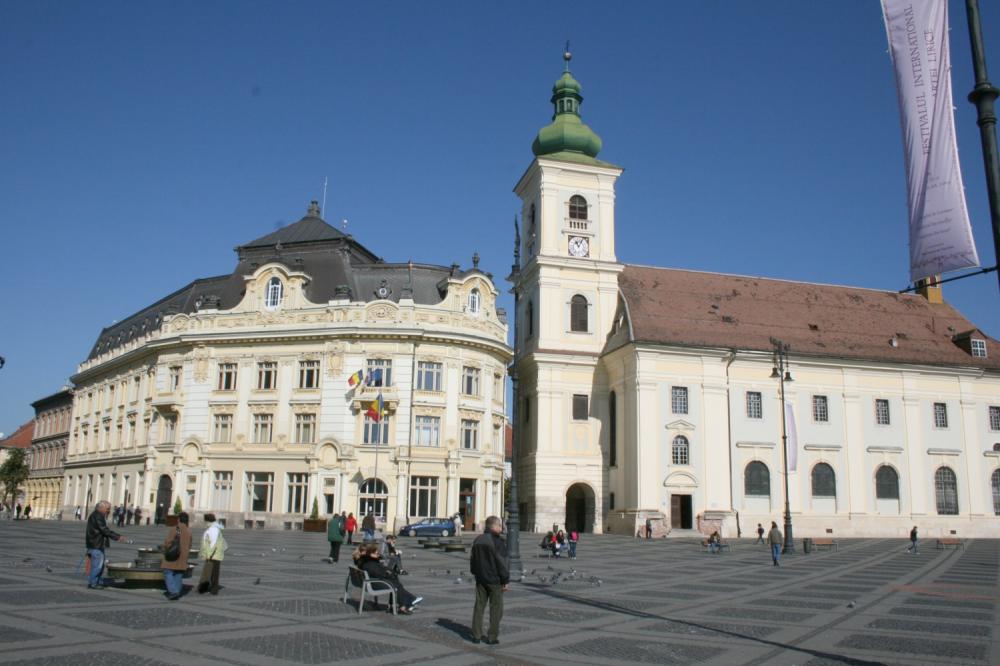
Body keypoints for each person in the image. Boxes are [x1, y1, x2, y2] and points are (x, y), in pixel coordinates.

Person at [470, 515, 509, 645]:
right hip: (494, 580)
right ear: (494, 526)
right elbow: (502, 563)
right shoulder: (498, 542)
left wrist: (475, 573)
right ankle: (492, 636)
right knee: (496, 608)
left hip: (480, 578)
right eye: (499, 526)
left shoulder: (478, 539)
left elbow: (473, 559)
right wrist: (505, 580)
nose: (501, 528)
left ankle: (476, 635)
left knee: (479, 607)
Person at [357, 543, 422, 614]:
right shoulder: (369, 563)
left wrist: (389, 571)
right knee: (395, 584)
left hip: (369, 582)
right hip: (374, 584)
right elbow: (378, 573)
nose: (377, 553)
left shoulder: (367, 561)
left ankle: (405, 603)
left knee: (395, 581)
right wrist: (389, 573)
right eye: (375, 552)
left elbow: (379, 570)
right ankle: (406, 603)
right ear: (369, 553)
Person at [85, 501, 126, 589]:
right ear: (101, 508)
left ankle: (98, 580)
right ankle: (93, 583)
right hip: (96, 544)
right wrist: (117, 537)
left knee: (100, 565)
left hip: (96, 544)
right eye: (107, 509)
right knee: (97, 565)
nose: (108, 511)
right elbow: (104, 529)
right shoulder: (98, 516)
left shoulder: (97, 515)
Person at [161, 511, 192, 601]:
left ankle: (173, 591)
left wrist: (166, 548)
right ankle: (177, 591)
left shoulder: (176, 529)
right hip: (183, 556)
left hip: (173, 554)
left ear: (178, 519)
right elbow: (190, 545)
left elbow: (168, 542)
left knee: (167, 571)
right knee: (178, 573)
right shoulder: (188, 531)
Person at [197, 513, 226, 595]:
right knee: (209, 571)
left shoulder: (214, 529)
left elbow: (213, 543)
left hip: (214, 555)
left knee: (213, 572)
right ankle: (206, 588)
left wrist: (209, 555)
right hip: (212, 554)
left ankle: (213, 590)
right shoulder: (213, 528)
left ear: (207, 521)